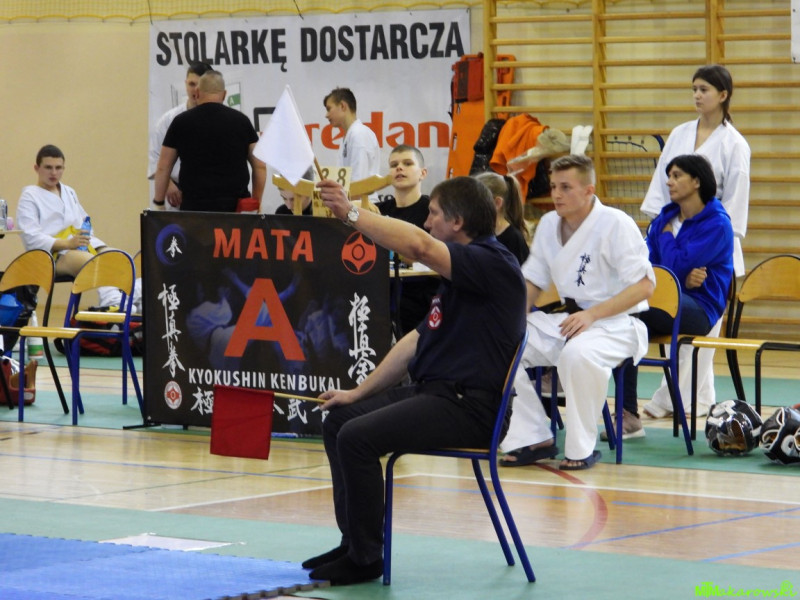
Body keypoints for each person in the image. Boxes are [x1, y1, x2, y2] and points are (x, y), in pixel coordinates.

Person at [304, 175, 526, 585]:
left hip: (471, 408)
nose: (427, 221)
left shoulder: (493, 263)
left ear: (457, 222)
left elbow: (419, 246)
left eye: (434, 213)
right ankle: (354, 542)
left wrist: (351, 213)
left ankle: (367, 559)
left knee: (357, 438)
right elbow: (414, 342)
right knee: (339, 420)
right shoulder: (459, 279)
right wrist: (357, 392)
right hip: (437, 395)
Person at [498, 154, 654, 470]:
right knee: (498, 341)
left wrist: (592, 315)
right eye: (554, 186)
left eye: (566, 187)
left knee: (577, 355)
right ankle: (532, 437)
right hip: (569, 321)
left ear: (588, 191)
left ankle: (581, 449)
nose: (556, 194)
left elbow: (644, 286)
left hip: (617, 324)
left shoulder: (615, 223)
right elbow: (533, 279)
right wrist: (511, 318)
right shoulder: (548, 224)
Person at [640, 64, 750, 419]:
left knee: (699, 335)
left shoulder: (735, 144)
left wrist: (704, 249)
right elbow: (663, 189)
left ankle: (672, 399)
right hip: (673, 233)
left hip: (712, 247)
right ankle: (700, 400)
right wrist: (664, 229)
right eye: (694, 89)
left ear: (723, 95)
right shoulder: (680, 133)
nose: (697, 95)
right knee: (690, 335)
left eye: (704, 89)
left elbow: (732, 205)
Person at [614, 154, 734, 439]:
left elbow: (672, 267)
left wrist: (669, 245)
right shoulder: (663, 219)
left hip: (700, 310)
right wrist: (682, 279)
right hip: (660, 302)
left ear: (697, 181)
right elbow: (648, 268)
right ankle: (628, 415)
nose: (669, 181)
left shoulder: (717, 224)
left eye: (677, 175)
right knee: (621, 323)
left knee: (627, 309)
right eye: (669, 175)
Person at [17, 145, 131, 308]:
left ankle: (131, 298)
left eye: (58, 168)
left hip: (77, 246)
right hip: (51, 256)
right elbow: (30, 237)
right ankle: (112, 300)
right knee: (90, 261)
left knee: (119, 257)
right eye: (48, 167)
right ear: (37, 168)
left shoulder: (69, 191)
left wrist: (83, 238)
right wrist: (67, 244)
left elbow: (83, 221)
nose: (54, 173)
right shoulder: (29, 196)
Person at [153, 70, 266, 212]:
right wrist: (256, 203)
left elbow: (163, 167)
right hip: (235, 209)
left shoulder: (180, 122)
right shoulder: (242, 121)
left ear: (197, 93)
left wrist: (159, 202)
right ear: (224, 94)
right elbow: (260, 166)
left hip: (194, 207)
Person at [376, 145, 439, 337]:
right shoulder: (376, 211)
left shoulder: (434, 212)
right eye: (393, 165)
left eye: (407, 163)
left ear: (423, 173)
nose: (399, 168)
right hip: (381, 300)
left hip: (421, 302)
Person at [147, 61, 214, 211]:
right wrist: (168, 184)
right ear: (185, 84)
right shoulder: (169, 120)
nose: (195, 90)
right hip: (177, 196)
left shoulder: (222, 119)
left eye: (200, 85)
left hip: (213, 196)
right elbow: (155, 157)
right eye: (191, 84)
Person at [323, 87, 380, 184]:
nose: (326, 115)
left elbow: (359, 182)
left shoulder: (359, 134)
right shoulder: (348, 137)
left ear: (342, 106)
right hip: (349, 194)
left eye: (329, 109)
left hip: (360, 194)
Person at [474, 171, 531, 264]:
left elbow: (521, 271)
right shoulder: (476, 232)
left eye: (476, 202)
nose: (470, 207)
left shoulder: (513, 238)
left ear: (497, 203)